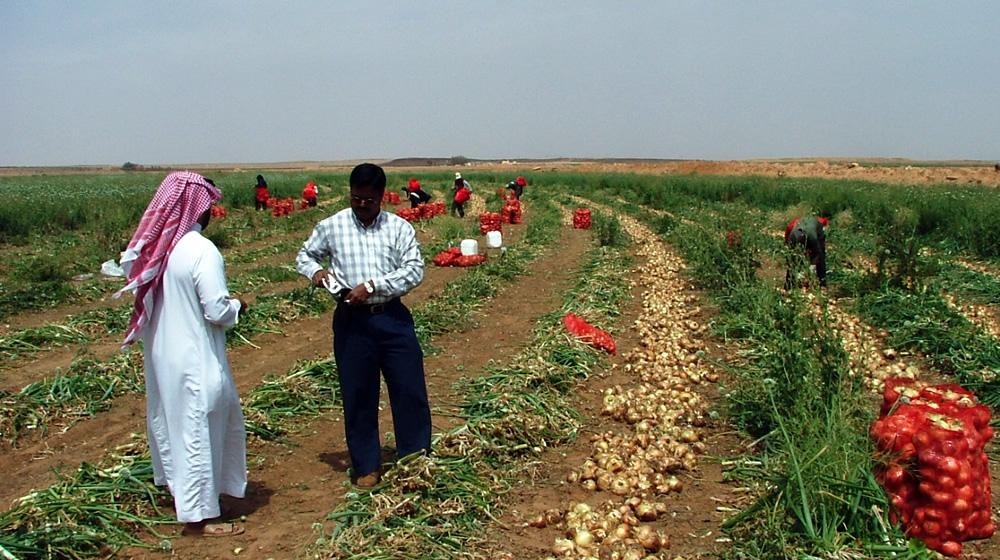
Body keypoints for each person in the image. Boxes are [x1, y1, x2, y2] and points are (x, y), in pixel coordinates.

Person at [114, 171, 248, 537]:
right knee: (199, 427)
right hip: (194, 355)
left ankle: (185, 495)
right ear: (196, 207)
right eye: (207, 206)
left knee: (175, 422)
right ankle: (201, 517)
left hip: (163, 355)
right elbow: (216, 310)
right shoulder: (200, 249)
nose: (209, 213)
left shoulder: (158, 248)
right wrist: (239, 305)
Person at [295, 162, 431, 488]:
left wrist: (373, 286)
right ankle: (366, 465)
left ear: (382, 197)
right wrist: (317, 273)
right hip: (351, 322)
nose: (361, 206)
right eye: (356, 198)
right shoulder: (332, 225)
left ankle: (414, 458)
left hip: (392, 318)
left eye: (369, 200)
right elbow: (305, 255)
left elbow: (414, 270)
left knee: (408, 389)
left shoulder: (399, 228)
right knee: (358, 394)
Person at [784, 216, 829, 288]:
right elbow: (818, 250)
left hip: (794, 235)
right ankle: (822, 283)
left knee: (792, 261)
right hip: (810, 236)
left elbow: (787, 234)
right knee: (820, 256)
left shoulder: (796, 222)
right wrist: (813, 263)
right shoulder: (819, 224)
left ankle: (789, 285)